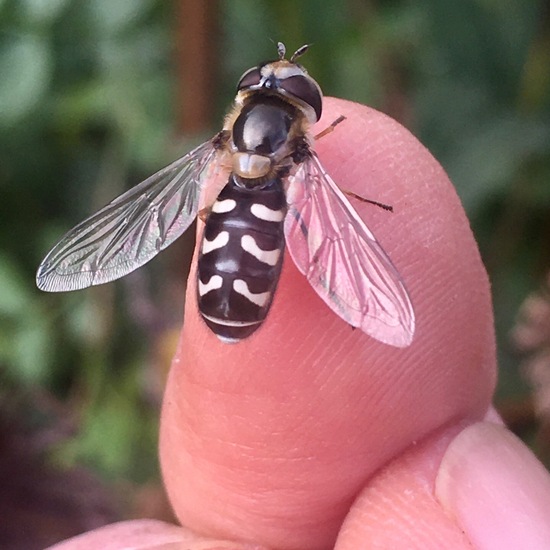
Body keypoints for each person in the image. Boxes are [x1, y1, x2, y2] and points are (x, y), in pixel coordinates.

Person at [48, 98, 550, 549]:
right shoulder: (303, 153)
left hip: (223, 267)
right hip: (250, 264)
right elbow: (326, 206)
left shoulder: (222, 148)